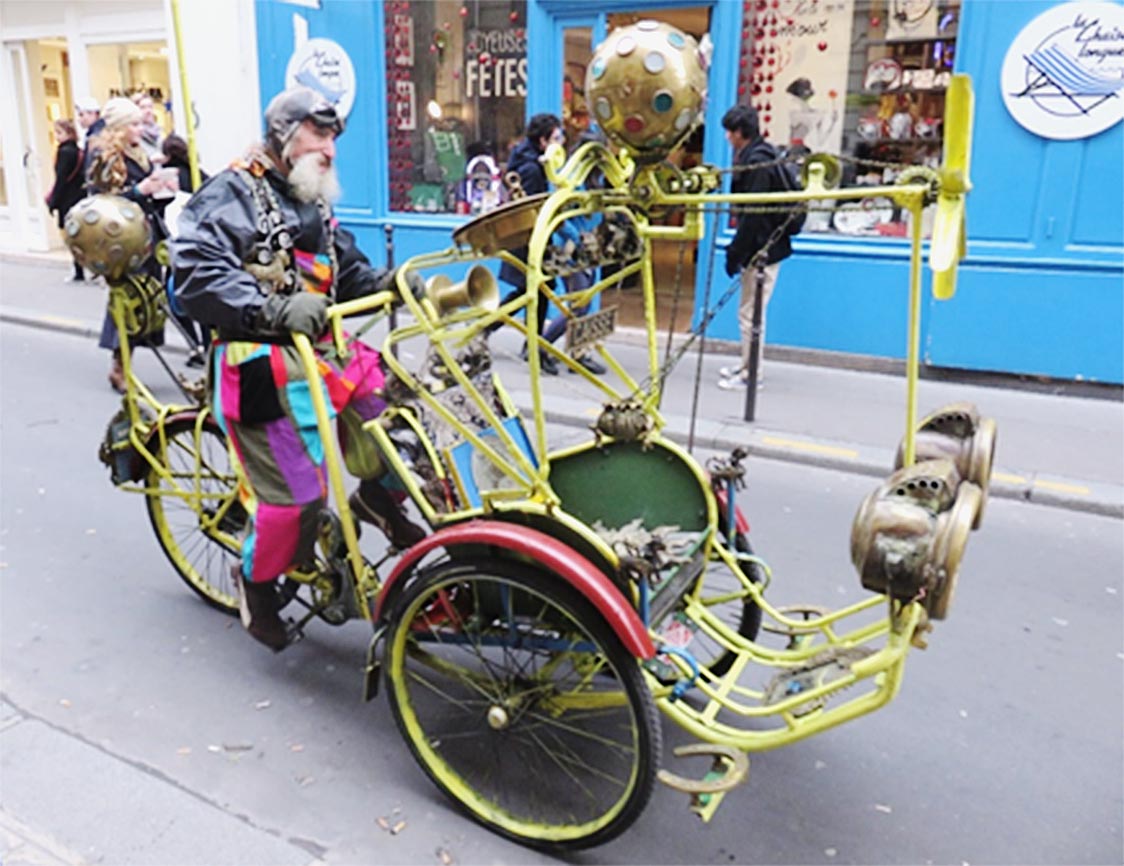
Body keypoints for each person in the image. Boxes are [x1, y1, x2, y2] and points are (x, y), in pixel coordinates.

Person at [172, 86, 426, 652]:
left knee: (403, 427)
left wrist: (386, 282)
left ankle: (378, 498)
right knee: (295, 502)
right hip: (259, 362)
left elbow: (343, 268)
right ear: (285, 136)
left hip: (324, 350)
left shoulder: (309, 192)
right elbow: (195, 273)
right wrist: (269, 308)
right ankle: (257, 586)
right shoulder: (229, 193)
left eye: (334, 137)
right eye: (319, 135)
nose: (330, 149)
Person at [87, 97, 174, 392]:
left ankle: (124, 361)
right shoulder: (106, 157)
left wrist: (162, 190)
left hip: (147, 236)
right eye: (134, 124)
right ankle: (119, 365)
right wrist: (139, 190)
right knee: (127, 300)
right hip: (123, 241)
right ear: (120, 127)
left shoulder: (139, 153)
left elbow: (145, 195)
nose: (141, 128)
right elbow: (103, 203)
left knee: (147, 299)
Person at [719, 104, 794, 391]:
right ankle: (746, 365)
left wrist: (735, 252)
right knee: (749, 311)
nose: (727, 137)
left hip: (763, 249)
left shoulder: (757, 163)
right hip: (765, 246)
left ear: (740, 132)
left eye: (729, 131)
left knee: (751, 315)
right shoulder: (762, 154)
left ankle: (751, 375)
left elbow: (752, 215)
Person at [496, 113, 565, 375]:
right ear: (542, 140)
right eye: (555, 137)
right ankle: (531, 347)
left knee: (532, 291)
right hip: (528, 240)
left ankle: (525, 342)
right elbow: (532, 208)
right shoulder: (533, 169)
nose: (560, 142)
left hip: (526, 238)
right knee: (536, 290)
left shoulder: (529, 159)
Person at [160, 134, 211, 366]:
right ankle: (207, 345)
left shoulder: (168, 177)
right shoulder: (199, 173)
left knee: (175, 299)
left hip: (178, 244)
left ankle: (195, 346)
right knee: (201, 298)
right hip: (201, 244)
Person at [45, 119, 88, 282]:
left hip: (67, 199)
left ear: (69, 133)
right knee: (81, 233)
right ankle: (82, 267)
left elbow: (61, 179)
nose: (57, 136)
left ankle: (79, 269)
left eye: (59, 132)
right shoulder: (79, 151)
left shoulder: (64, 152)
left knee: (70, 235)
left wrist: (53, 201)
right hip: (80, 197)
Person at [132, 91, 165, 162]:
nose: (148, 111)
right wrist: (151, 160)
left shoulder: (159, 132)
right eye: (143, 107)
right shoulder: (133, 135)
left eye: (150, 107)